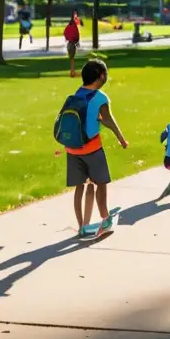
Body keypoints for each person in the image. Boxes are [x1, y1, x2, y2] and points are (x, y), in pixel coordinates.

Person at [65, 59, 128, 235]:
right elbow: (108, 120)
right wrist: (121, 139)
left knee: (80, 186)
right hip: (92, 148)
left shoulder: (77, 94)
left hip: (73, 148)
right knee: (101, 183)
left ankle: (81, 227)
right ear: (101, 76)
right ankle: (105, 220)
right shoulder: (100, 97)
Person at [64, 13, 81, 77]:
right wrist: (77, 42)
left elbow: (65, 32)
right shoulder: (74, 27)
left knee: (71, 58)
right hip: (73, 44)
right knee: (72, 58)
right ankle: (72, 71)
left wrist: (67, 38)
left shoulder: (68, 26)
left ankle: (72, 71)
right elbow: (76, 35)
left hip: (69, 44)